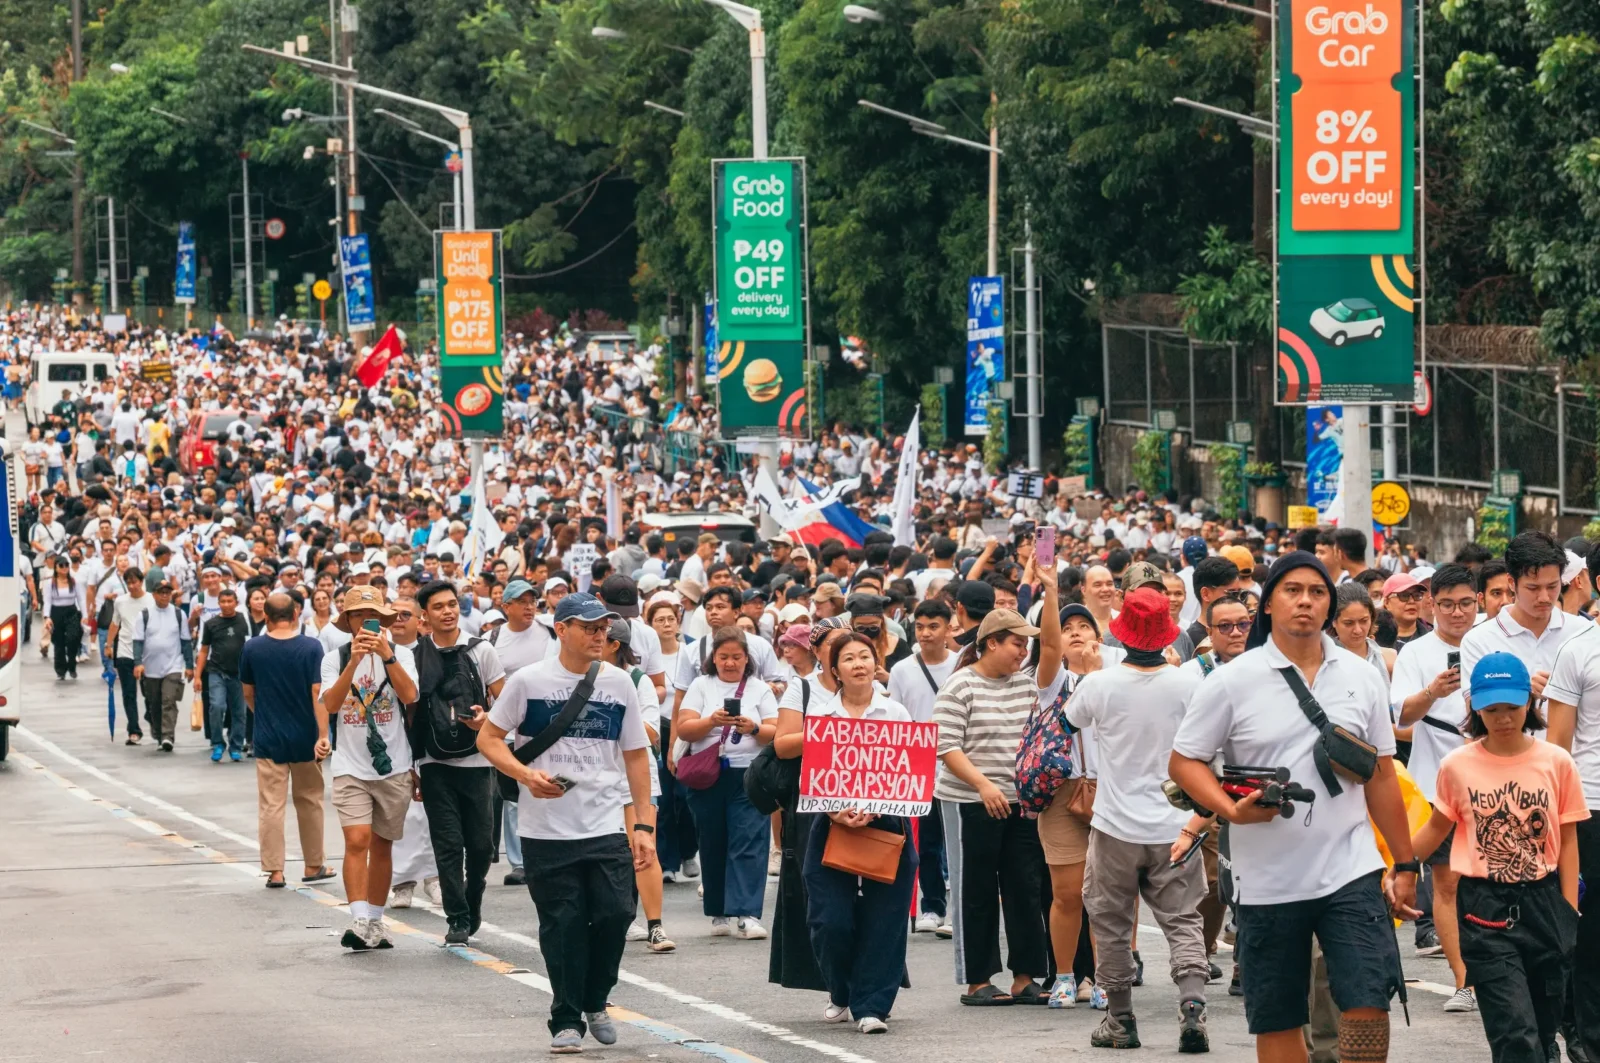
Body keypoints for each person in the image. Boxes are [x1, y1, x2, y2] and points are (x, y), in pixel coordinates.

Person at [1170, 551, 1420, 1063]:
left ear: (1329, 605)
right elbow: (1184, 762)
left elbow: (1380, 775)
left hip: (1351, 868)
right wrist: (1231, 810)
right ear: (1267, 604)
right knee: (1279, 1015)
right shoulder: (1232, 681)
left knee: (1370, 998)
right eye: (1291, 590)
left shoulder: (1362, 674)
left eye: (1317, 591)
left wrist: (1406, 862)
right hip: (1268, 879)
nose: (1305, 600)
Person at [476, 591, 656, 1054]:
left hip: (605, 825)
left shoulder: (619, 683)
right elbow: (489, 738)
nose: (600, 636)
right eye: (589, 628)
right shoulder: (528, 682)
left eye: (604, 628)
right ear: (562, 630)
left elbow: (636, 755)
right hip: (545, 831)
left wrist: (644, 825)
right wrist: (525, 775)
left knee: (616, 914)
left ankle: (596, 998)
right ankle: (566, 1017)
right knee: (564, 924)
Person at [1400, 652, 1588, 1063]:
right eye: (1492, 709)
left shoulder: (1556, 761)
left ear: (1530, 704)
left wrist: (1570, 911)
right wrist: (1400, 865)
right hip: (1484, 908)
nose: (1503, 718)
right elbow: (1436, 827)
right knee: (1513, 1030)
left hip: (1546, 903)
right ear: (1474, 708)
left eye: (1512, 707)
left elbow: (1569, 839)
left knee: (1542, 1026)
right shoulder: (1457, 766)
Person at [1067, 587, 1210, 1051]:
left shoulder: (1099, 685)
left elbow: (1067, 723)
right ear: (1166, 634)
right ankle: (1192, 1005)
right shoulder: (1189, 684)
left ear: (1120, 634)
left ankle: (1120, 1019)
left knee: (1109, 921)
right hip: (1178, 825)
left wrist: (1089, 673)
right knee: (1183, 919)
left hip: (1114, 826)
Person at [803, 632, 919, 1035]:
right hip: (832, 824)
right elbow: (813, 780)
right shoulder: (820, 718)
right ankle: (841, 989)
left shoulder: (897, 714)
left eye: (865, 656)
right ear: (834, 670)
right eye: (848, 658)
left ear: (876, 663)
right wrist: (837, 811)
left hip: (887, 823)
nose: (858, 664)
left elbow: (908, 776)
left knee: (885, 920)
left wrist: (878, 807)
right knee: (830, 921)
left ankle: (873, 1006)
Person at [934, 607, 1050, 1006]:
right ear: (991, 643)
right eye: (1017, 643)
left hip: (1021, 803)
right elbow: (946, 745)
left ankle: (1025, 975)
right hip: (969, 801)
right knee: (975, 889)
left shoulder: (1027, 686)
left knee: (1025, 888)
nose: (1023, 651)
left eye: (1026, 644)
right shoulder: (960, 686)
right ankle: (977, 979)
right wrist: (983, 785)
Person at [1390, 564, 1476, 1007]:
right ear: (1431, 604)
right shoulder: (1416, 652)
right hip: (1436, 784)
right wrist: (1431, 693)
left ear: (1477, 601)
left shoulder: (1492, 641)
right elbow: (1400, 715)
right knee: (1446, 881)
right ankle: (1464, 978)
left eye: (1465, 603)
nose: (1456, 613)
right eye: (1446, 604)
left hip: (1492, 781)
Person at [318, 585, 420, 950]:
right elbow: (331, 704)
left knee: (382, 844)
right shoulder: (334, 657)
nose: (365, 622)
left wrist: (387, 656)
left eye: (371, 615)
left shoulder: (403, 654)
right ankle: (359, 918)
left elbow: (410, 696)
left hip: (393, 764)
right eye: (357, 616)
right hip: (350, 764)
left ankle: (376, 920)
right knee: (356, 840)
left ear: (384, 620)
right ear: (348, 622)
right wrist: (353, 663)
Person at [412, 579, 506, 944]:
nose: (448, 611)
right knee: (447, 843)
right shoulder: (417, 655)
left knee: (481, 845)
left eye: (452, 604)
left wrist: (488, 718)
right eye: (438, 607)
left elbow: (507, 700)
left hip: (479, 761)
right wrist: (413, 765)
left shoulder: (481, 650)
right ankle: (457, 918)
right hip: (435, 763)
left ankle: (473, 895)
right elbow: (412, 714)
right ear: (426, 616)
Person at [676, 626, 779, 939]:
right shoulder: (700, 685)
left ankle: (746, 912)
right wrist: (712, 721)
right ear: (713, 658)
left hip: (749, 774)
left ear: (747, 658)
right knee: (713, 840)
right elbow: (684, 728)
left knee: (749, 840)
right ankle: (719, 911)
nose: (730, 663)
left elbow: (776, 731)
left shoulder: (759, 688)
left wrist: (753, 727)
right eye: (724, 657)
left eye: (737, 657)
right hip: (708, 776)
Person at [241, 592, 336, 888]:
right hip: (305, 735)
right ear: (296, 614)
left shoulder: (253, 648)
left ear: (265, 617)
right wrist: (323, 734)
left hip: (268, 735)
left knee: (271, 804)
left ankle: (275, 870)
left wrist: (264, 715)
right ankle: (313, 864)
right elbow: (317, 691)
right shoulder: (311, 647)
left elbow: (248, 691)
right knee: (310, 801)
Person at [887, 599, 958, 935]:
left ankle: (960, 908)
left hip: (959, 766)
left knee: (961, 843)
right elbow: (894, 719)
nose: (927, 633)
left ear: (949, 627)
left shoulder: (962, 665)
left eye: (934, 626)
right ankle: (933, 906)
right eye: (921, 627)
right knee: (927, 842)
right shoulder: (902, 670)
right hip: (919, 769)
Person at [605, 618, 675, 953]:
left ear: (614, 645)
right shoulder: (577, 677)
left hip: (636, 777)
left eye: (597, 636)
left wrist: (606, 726)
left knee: (643, 849)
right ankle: (615, 919)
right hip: (594, 778)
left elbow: (649, 732)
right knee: (605, 855)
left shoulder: (638, 681)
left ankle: (655, 926)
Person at [131, 579, 193, 752]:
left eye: (167, 592)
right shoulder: (144, 615)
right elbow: (138, 641)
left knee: (169, 700)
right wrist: (138, 663)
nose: (165, 596)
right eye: (161, 592)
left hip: (172, 665)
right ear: (154, 594)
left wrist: (189, 665)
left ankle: (167, 736)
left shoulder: (179, 614)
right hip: (150, 667)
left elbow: (186, 641)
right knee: (154, 702)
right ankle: (158, 733)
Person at [195, 588, 250, 762]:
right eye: (223, 602)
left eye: (230, 601)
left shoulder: (243, 621)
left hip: (240, 674)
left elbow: (250, 645)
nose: (226, 605)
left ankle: (236, 745)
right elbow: (204, 650)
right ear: (218, 604)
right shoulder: (211, 624)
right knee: (217, 706)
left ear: (236, 602)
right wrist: (197, 676)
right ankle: (218, 742)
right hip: (216, 671)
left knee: (239, 712)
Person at [106, 567, 149, 745]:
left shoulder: (151, 600)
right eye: (128, 583)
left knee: (150, 693)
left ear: (141, 581)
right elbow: (115, 624)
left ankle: (152, 717)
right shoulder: (120, 602)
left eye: (135, 582)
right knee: (129, 693)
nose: (132, 586)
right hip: (124, 651)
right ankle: (134, 730)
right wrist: (108, 644)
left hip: (147, 653)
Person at [43, 554, 85, 680]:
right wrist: (47, 617)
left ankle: (72, 664)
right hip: (56, 612)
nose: (64, 568)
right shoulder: (50, 583)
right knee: (59, 642)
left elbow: (81, 599)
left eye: (67, 565)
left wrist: (85, 615)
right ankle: (60, 670)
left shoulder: (74, 581)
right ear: (56, 567)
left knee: (73, 639)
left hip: (71, 611)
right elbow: (47, 601)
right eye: (61, 565)